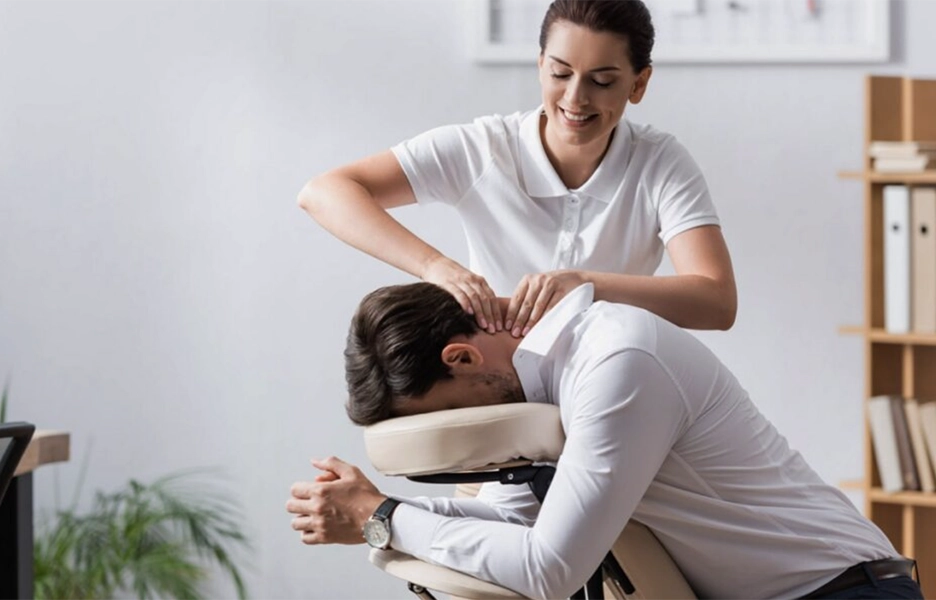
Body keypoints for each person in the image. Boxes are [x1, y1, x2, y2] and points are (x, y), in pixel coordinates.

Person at [286, 282, 922, 600]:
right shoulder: (536, 393)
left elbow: (549, 569)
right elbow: (518, 527)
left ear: (460, 356)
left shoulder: (616, 363)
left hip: (843, 590)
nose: (462, 439)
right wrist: (373, 512)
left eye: (448, 415)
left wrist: (382, 518)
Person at [298, 0, 737, 339]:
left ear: (638, 84)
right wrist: (435, 266)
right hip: (495, 376)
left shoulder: (659, 163)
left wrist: (583, 284)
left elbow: (717, 302)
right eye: (560, 73)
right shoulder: (484, 149)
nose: (576, 98)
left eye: (602, 81)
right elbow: (325, 192)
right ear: (540, 65)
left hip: (609, 375)